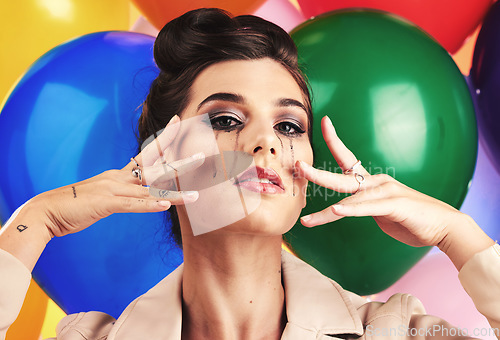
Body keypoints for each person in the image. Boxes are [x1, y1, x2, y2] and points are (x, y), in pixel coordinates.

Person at [1, 8, 499, 340]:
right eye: (225, 119)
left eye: (288, 125)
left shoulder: (395, 333)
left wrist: (458, 234)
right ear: (165, 159)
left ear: (304, 181)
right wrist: (37, 219)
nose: (265, 144)